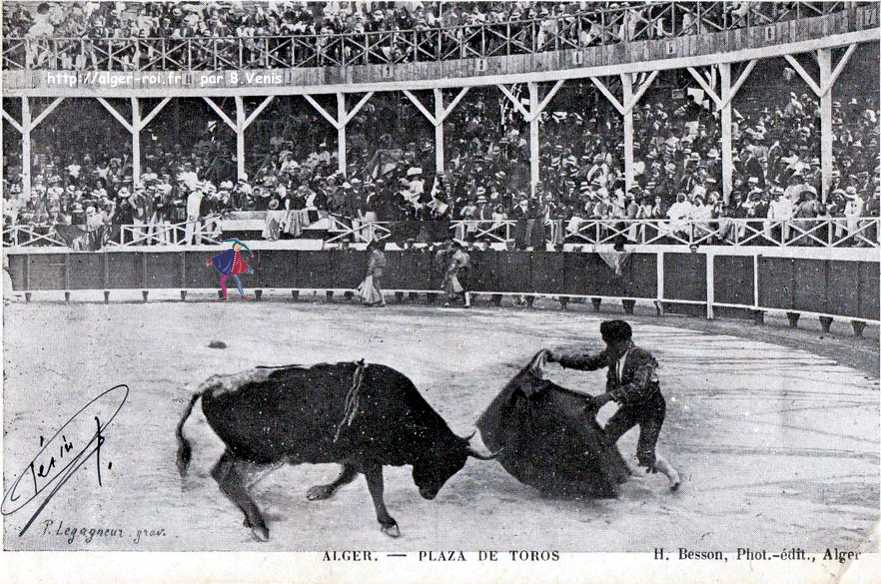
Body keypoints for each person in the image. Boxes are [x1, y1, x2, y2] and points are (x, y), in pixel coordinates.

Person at [546, 320, 681, 491]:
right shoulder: (613, 352)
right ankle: (611, 475)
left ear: (625, 341)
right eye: (607, 343)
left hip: (652, 410)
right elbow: (591, 362)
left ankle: (672, 474)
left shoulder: (641, 356)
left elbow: (640, 387)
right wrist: (559, 358)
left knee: (645, 454)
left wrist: (609, 396)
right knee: (604, 439)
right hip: (631, 408)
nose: (609, 347)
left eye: (612, 343)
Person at [442, 240, 471, 308]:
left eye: (453, 247)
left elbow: (454, 266)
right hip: (465, 272)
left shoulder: (456, 255)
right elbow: (468, 264)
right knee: (465, 287)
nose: (452, 248)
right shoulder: (466, 255)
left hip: (458, 272)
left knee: (451, 285)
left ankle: (448, 302)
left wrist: (450, 271)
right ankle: (467, 303)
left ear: (456, 248)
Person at [360, 239, 387, 307]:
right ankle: (372, 300)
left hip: (374, 271)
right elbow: (384, 263)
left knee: (374, 286)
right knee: (376, 286)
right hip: (379, 271)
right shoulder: (382, 253)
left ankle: (380, 301)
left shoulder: (374, 253)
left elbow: (372, 264)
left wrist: (369, 271)